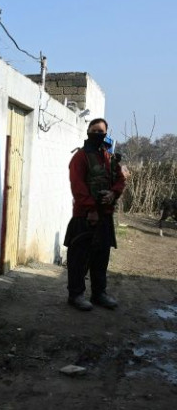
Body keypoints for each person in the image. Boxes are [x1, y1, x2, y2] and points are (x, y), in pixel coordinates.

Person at [64, 117, 125, 311]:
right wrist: (91, 209)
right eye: (95, 130)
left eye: (102, 132)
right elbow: (78, 186)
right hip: (85, 216)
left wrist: (113, 192)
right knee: (79, 259)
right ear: (88, 131)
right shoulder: (80, 157)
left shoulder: (108, 157)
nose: (98, 134)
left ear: (106, 134)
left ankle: (99, 294)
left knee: (101, 258)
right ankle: (76, 295)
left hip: (104, 216)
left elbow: (120, 178)